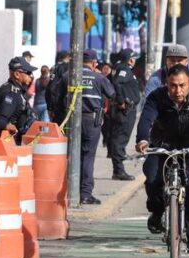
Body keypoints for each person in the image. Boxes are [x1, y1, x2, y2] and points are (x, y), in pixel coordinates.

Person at [135, 64, 189, 254]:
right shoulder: (156, 97)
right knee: (153, 178)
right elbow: (146, 119)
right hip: (162, 145)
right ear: (166, 84)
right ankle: (157, 211)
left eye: (181, 85)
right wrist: (143, 139)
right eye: (172, 86)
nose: (177, 90)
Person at [60, 49, 115, 204]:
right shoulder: (99, 78)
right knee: (88, 156)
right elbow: (112, 94)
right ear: (93, 63)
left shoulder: (68, 76)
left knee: (71, 155)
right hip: (91, 121)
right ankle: (85, 194)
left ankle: (70, 190)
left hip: (71, 121)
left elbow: (54, 94)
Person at [109, 48, 141, 181]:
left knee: (120, 139)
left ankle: (119, 168)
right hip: (125, 110)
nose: (134, 61)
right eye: (133, 58)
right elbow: (117, 83)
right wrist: (121, 101)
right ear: (130, 59)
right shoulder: (124, 69)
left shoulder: (121, 68)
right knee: (119, 140)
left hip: (126, 109)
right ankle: (118, 171)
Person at [0, 56, 39, 144]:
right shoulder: (11, 93)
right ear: (17, 74)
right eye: (28, 72)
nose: (31, 76)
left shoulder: (18, 90)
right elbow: (2, 121)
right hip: (11, 143)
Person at [46, 51, 71, 124]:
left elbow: (50, 88)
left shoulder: (55, 67)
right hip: (65, 107)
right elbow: (52, 88)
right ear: (68, 57)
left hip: (57, 107)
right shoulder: (67, 68)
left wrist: (50, 106)